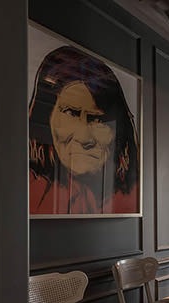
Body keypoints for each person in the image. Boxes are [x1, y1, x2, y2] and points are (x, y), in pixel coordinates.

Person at [29, 45, 139, 215]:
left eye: (98, 120)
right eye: (71, 113)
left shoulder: (132, 194)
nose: (84, 137)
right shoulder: (25, 189)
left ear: (119, 132)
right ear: (47, 118)